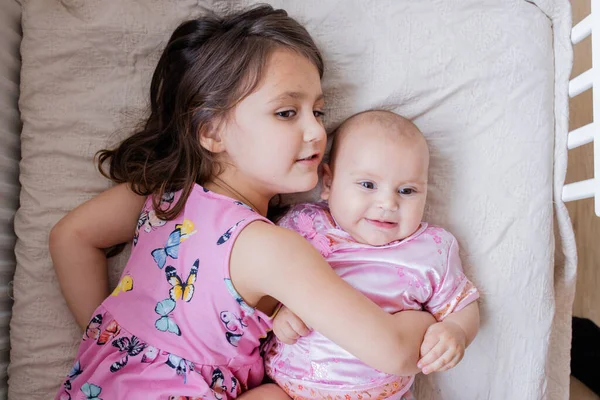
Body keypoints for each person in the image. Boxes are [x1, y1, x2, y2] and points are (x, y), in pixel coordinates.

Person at [49, 7, 436, 400]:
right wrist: (435, 321)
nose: (317, 131)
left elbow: (71, 236)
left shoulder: (166, 192)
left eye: (318, 112)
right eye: (287, 113)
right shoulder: (269, 248)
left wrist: (108, 338)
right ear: (211, 131)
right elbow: (394, 352)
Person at [265, 111, 480, 400]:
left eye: (407, 190)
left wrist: (456, 332)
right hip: (287, 388)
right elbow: (263, 280)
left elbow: (462, 304)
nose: (388, 202)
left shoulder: (430, 249)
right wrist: (279, 310)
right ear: (328, 183)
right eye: (368, 185)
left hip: (381, 394)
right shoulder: (303, 226)